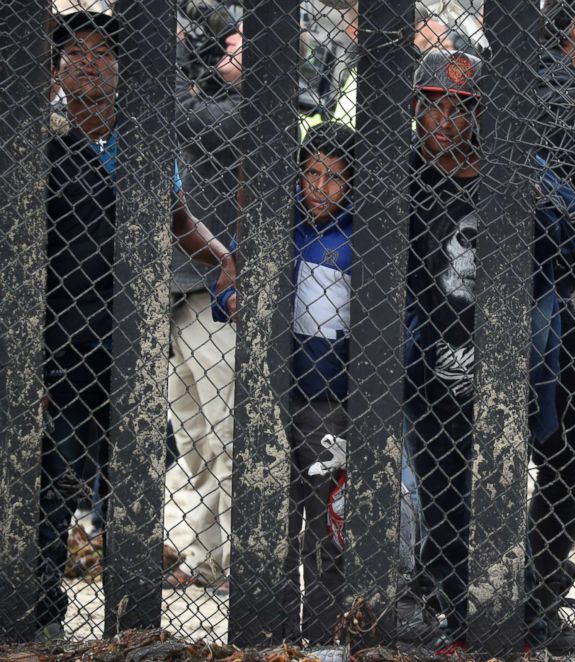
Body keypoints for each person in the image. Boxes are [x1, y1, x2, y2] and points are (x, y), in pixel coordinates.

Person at [38, 7, 235, 640]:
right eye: (74, 52)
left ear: (125, 69)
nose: (88, 61)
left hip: (128, 342)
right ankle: (42, 620)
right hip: (54, 342)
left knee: (132, 482)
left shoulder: (143, 143)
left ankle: (130, 625)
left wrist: (223, 256)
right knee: (48, 482)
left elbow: (179, 220)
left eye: (102, 51)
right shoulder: (39, 141)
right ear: (55, 70)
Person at [404, 50, 575, 652]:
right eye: (433, 105)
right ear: (412, 109)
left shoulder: (516, 169)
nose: (446, 122)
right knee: (447, 496)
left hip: (521, 363)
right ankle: (460, 617)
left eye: (461, 109)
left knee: (550, 475)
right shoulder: (403, 175)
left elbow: (566, 258)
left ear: (484, 115)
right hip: (434, 362)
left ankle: (533, 605)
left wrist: (532, 198)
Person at [213, 121, 355, 643]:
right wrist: (230, 298)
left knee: (325, 527)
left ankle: (320, 639)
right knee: (273, 521)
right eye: (310, 173)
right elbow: (226, 280)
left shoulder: (358, 240)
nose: (318, 188)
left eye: (333, 178)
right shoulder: (274, 224)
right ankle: (270, 636)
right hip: (271, 396)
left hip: (330, 403)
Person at [524, 1, 575, 652]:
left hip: (542, 285)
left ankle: (536, 587)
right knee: (563, 444)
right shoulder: (555, 84)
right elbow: (555, 189)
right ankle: (536, 591)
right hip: (536, 288)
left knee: (564, 444)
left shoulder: (545, 78)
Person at [162, 0, 243, 594]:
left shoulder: (255, 110)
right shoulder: (205, 93)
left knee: (224, 434)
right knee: (189, 440)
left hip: (212, 291)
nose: (230, 50)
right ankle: (200, 558)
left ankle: (235, 563)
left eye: (242, 44)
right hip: (171, 293)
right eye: (229, 42)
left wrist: (164, 58)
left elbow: (190, 122)